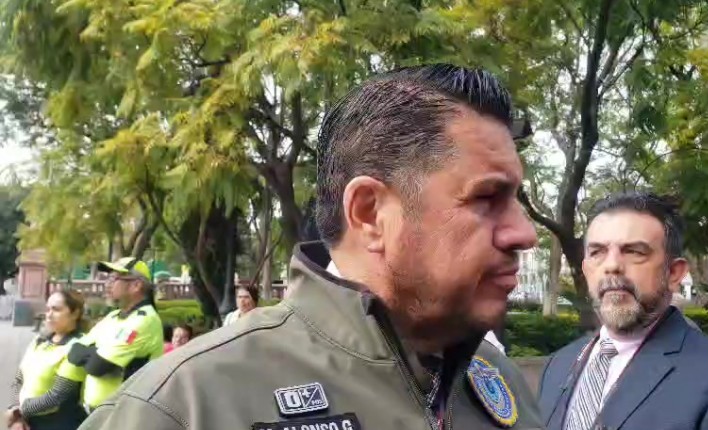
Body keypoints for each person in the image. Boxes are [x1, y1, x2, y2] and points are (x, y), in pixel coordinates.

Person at [78, 64, 543, 429]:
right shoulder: (183, 406)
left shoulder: (499, 382)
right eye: (487, 198)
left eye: (516, 201)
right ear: (369, 213)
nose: (525, 233)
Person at [537, 192, 708, 429]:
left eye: (634, 252)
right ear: (586, 270)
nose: (612, 266)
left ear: (674, 273)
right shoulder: (558, 365)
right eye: (597, 252)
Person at [62, 257, 164, 412]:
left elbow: (97, 366)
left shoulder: (144, 320)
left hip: (122, 413)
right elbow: (74, 352)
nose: (106, 284)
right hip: (97, 411)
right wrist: (95, 354)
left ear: (136, 285)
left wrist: (92, 353)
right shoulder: (114, 316)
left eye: (113, 279)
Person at [5, 291, 88, 430]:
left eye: (56, 309)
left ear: (75, 313)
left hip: (57, 423)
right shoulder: (40, 341)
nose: (49, 315)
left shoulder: (79, 346)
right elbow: (19, 379)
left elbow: (57, 396)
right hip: (27, 420)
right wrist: (16, 411)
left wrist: (18, 412)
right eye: (48, 309)